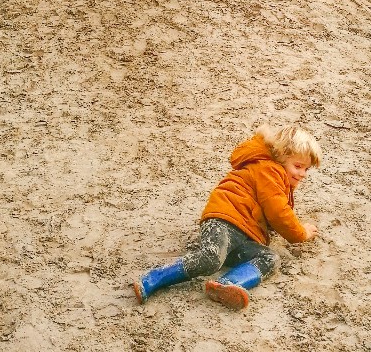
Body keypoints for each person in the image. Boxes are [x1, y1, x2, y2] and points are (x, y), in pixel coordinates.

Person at [133, 124, 321, 310]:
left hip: (244, 234)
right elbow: (279, 213)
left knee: (270, 258)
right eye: (298, 166)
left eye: (306, 169)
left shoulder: (277, 178)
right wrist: (301, 232)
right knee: (211, 259)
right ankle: (153, 278)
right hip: (224, 221)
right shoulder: (269, 170)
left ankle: (228, 284)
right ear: (281, 157)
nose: (302, 174)